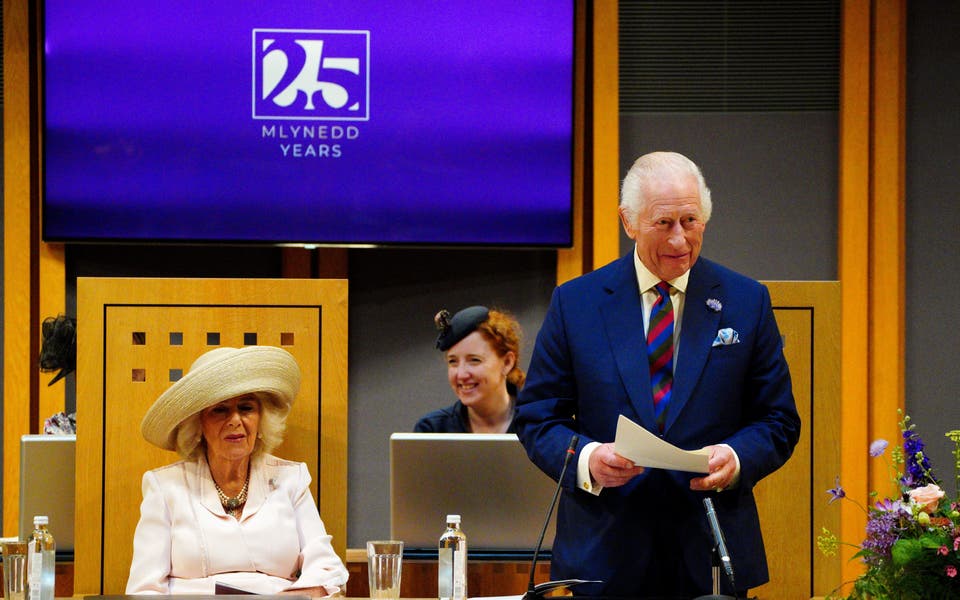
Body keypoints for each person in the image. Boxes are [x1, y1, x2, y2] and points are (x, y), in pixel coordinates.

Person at [516, 151, 801, 598]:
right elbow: (537, 417)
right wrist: (589, 459)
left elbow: (778, 421)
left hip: (708, 547)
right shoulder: (577, 304)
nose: (679, 239)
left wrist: (736, 456)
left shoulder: (747, 301)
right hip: (604, 552)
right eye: (663, 223)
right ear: (628, 222)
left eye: (690, 221)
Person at [126, 346, 348, 596]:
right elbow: (145, 589)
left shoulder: (291, 480)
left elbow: (326, 567)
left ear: (261, 419)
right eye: (220, 410)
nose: (235, 420)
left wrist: (297, 597)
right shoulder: (165, 487)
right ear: (198, 424)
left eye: (246, 408)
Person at [414, 306, 526, 433]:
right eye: (453, 361)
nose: (461, 374)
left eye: (474, 360)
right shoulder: (433, 431)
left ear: (507, 363)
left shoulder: (542, 425)